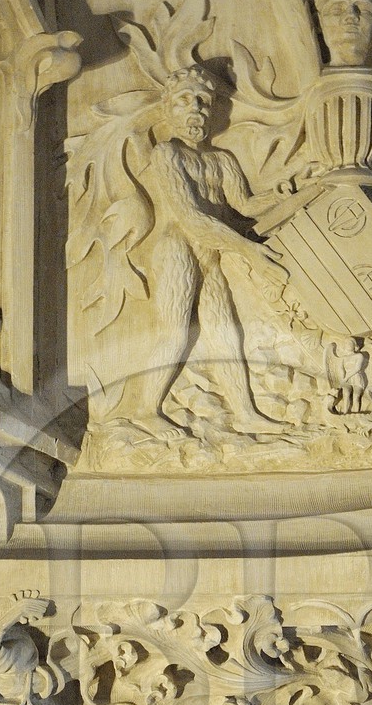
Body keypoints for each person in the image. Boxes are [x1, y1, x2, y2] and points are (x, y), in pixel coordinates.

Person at [116, 64, 286, 435]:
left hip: (211, 255)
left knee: (225, 333)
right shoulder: (167, 155)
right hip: (178, 249)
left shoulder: (222, 160)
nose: (196, 108)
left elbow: (245, 206)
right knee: (176, 332)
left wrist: (282, 192)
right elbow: (191, 218)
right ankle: (146, 410)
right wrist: (248, 250)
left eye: (203, 101)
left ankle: (245, 413)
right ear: (168, 109)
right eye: (184, 100)